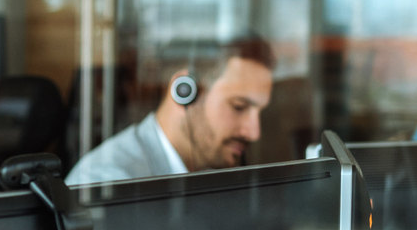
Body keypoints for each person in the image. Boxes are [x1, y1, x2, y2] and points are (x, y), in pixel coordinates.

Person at [66, 35, 275, 186]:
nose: (254, 132)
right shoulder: (107, 180)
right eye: (239, 107)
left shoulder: (215, 174)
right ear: (184, 91)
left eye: (260, 112)